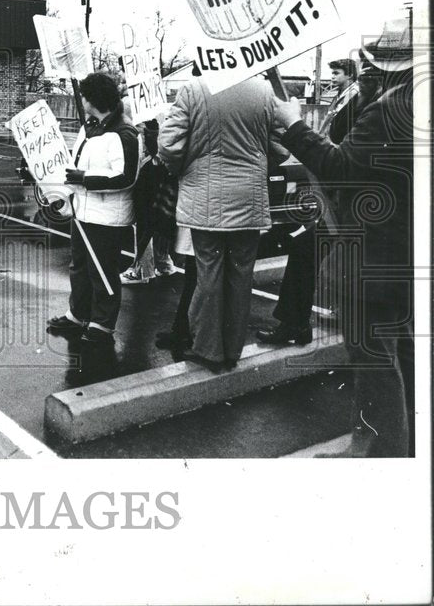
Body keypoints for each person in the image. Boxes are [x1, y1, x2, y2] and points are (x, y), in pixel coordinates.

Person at [273, 45, 413, 457]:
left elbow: (340, 166)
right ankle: (399, 446)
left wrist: (294, 125)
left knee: (375, 362)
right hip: (400, 251)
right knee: (399, 355)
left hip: (374, 253)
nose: (365, 71)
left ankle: (378, 454)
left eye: (373, 65)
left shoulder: (389, 109)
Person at [158, 74, 283, 374]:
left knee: (208, 272)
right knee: (241, 274)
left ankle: (208, 349)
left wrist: (184, 170)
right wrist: (255, 165)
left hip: (205, 197)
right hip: (249, 197)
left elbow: (169, 145)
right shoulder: (263, 89)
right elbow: (280, 147)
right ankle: (232, 350)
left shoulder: (194, 89)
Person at [46, 72, 141, 386]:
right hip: (84, 212)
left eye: (84, 96)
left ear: (93, 99)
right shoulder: (93, 129)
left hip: (107, 217)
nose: (80, 101)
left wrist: (81, 179)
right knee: (81, 266)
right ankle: (78, 315)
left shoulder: (125, 133)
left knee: (103, 271)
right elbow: (77, 165)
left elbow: (125, 177)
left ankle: (102, 325)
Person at [121, 119, 175, 284]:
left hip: (154, 169)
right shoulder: (165, 118)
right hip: (162, 171)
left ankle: (143, 271)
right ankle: (164, 264)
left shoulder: (142, 123)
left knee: (145, 222)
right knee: (159, 222)